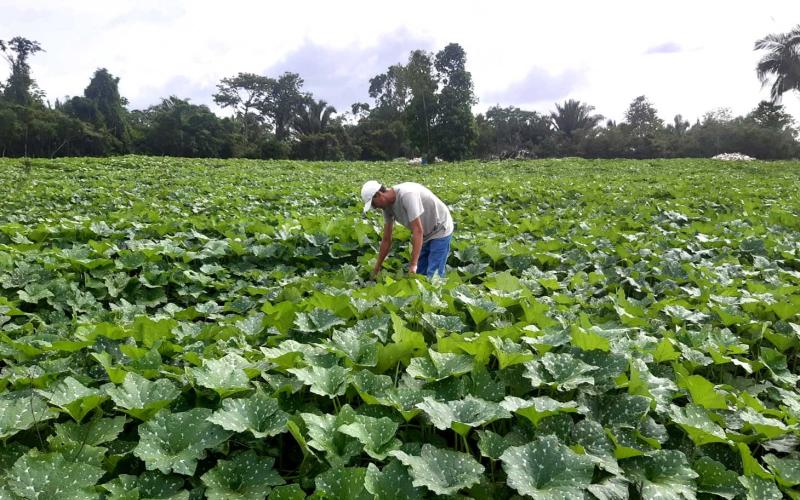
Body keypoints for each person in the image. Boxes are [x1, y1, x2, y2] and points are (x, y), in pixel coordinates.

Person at [360, 180, 453, 278]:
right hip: (425, 234)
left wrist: (413, 265)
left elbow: (417, 230)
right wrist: (377, 267)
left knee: (434, 275)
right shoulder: (386, 207)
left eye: (373, 204)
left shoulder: (407, 194)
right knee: (420, 275)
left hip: (440, 228)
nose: (375, 207)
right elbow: (386, 239)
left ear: (378, 194)